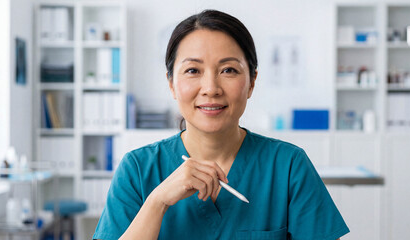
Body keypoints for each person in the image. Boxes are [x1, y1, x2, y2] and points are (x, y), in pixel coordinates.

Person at [93, 9, 349, 240]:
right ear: (171, 83)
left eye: (228, 70)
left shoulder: (289, 166)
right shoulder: (137, 170)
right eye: (193, 70)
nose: (211, 89)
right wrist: (157, 202)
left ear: (251, 82)